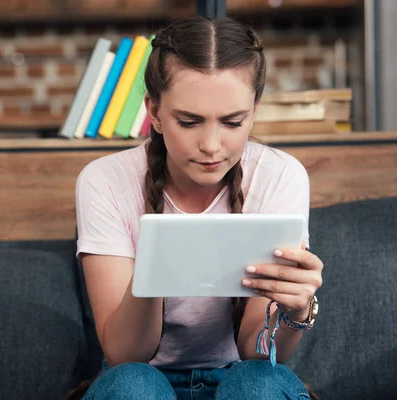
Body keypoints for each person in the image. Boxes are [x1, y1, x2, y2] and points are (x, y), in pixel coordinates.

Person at [72, 15, 324, 400]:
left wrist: (297, 310)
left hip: (239, 377)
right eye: (188, 122)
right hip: (142, 379)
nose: (210, 145)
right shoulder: (104, 181)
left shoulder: (279, 176)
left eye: (233, 122)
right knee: (131, 386)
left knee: (258, 383)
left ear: (254, 110)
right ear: (154, 113)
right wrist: (160, 261)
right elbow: (125, 355)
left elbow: (255, 351)